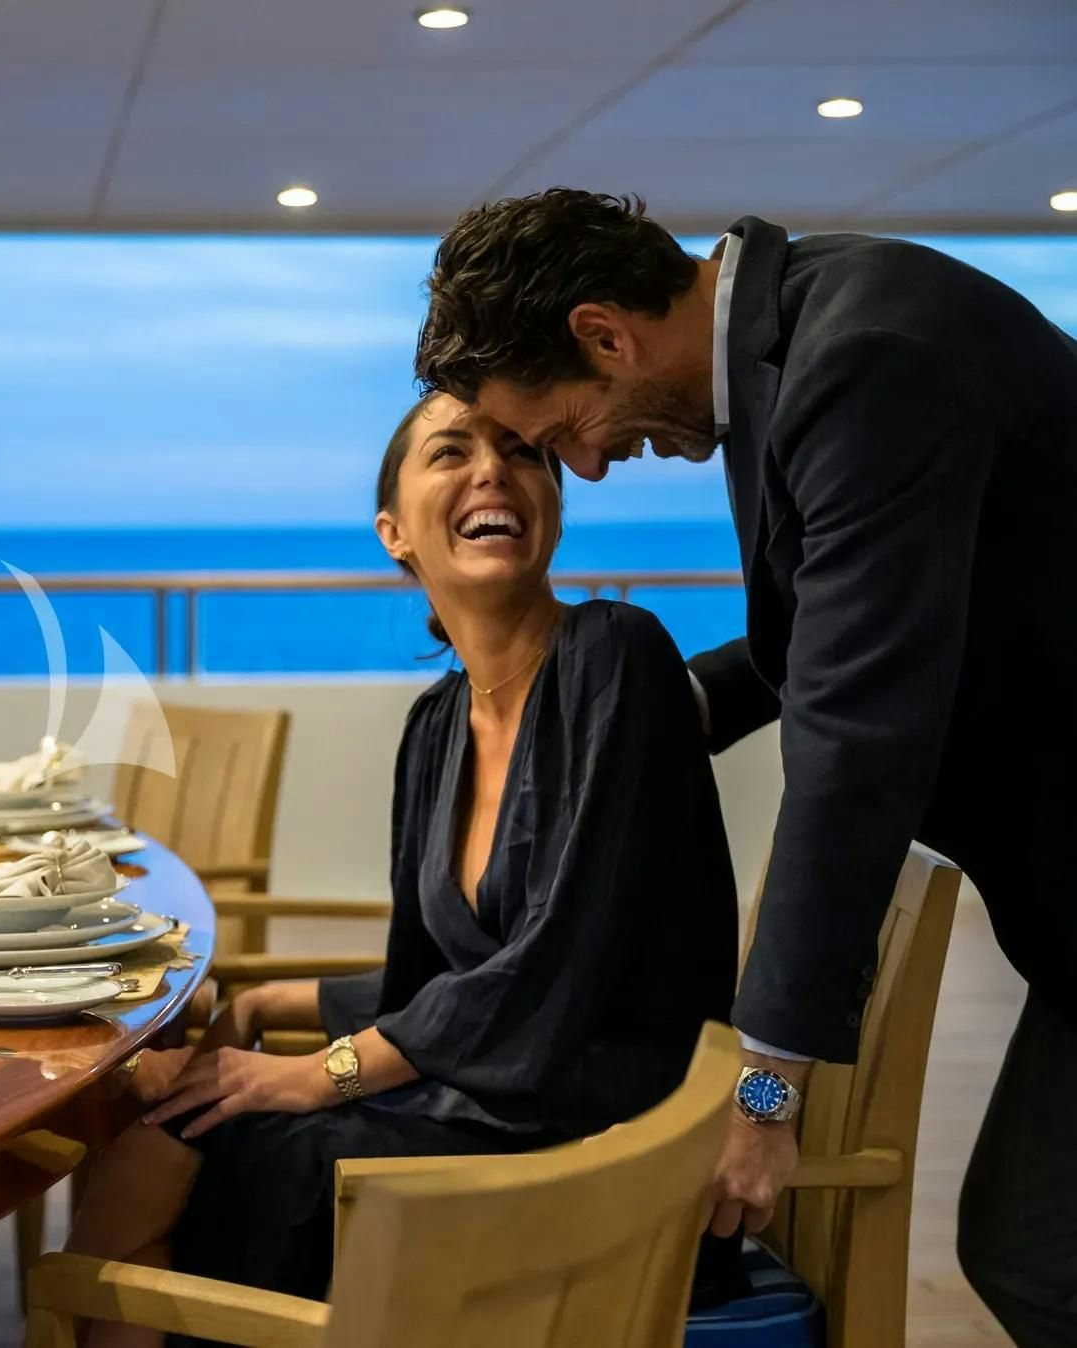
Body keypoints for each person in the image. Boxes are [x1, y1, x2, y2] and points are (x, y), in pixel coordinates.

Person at [415, 189, 1077, 1346]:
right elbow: (816, 642)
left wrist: (765, 1091)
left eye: (562, 425)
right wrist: (641, 705)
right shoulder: (795, 342)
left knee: (1034, 1256)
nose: (590, 466)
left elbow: (854, 742)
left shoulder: (868, 354)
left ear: (605, 334)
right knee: (1032, 1254)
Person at [63, 392, 741, 1344]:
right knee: (174, 1129)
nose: (492, 470)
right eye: (451, 452)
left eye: (521, 451)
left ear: (552, 499)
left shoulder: (615, 657)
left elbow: (556, 966)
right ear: (395, 533)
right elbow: (437, 986)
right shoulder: (435, 728)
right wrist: (269, 1005)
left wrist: (317, 1075)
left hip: (608, 1155)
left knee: (237, 1150)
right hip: (495, 1110)